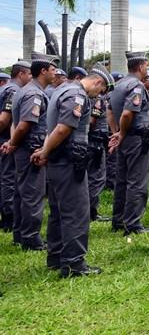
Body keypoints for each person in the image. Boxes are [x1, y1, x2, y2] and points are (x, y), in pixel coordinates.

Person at [32, 64, 113, 277]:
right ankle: (74, 264)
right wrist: (45, 152)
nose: (99, 95)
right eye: (101, 90)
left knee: (58, 211)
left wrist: (45, 150)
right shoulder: (77, 95)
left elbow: (56, 127)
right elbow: (63, 128)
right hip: (68, 161)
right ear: (97, 82)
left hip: (60, 160)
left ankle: (56, 256)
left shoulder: (62, 89)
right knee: (76, 213)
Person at [1, 53, 59, 250]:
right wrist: (14, 143)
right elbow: (24, 125)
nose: (55, 73)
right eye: (52, 70)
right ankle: (30, 238)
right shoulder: (34, 94)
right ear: (43, 71)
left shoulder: (25, 91)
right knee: (32, 195)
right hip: (30, 151)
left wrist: (12, 141)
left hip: (23, 148)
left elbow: (15, 124)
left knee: (21, 193)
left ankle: (20, 233)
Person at [108, 51, 149, 235]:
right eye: (146, 66)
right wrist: (122, 133)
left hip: (125, 138)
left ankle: (118, 220)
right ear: (141, 66)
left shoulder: (119, 85)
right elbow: (127, 113)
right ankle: (133, 223)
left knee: (122, 180)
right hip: (135, 138)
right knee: (137, 181)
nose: (147, 70)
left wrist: (116, 133)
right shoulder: (136, 86)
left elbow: (109, 111)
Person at [0, 60, 32, 232]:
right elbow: (5, 120)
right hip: (7, 141)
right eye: (29, 74)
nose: (31, 78)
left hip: (6, 140)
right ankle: (9, 218)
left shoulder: (5, 88)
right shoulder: (13, 91)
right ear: (21, 74)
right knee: (9, 179)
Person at [87, 90, 110, 222]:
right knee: (97, 178)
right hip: (95, 142)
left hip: (90, 141)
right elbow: (92, 122)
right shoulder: (97, 99)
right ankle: (91, 211)